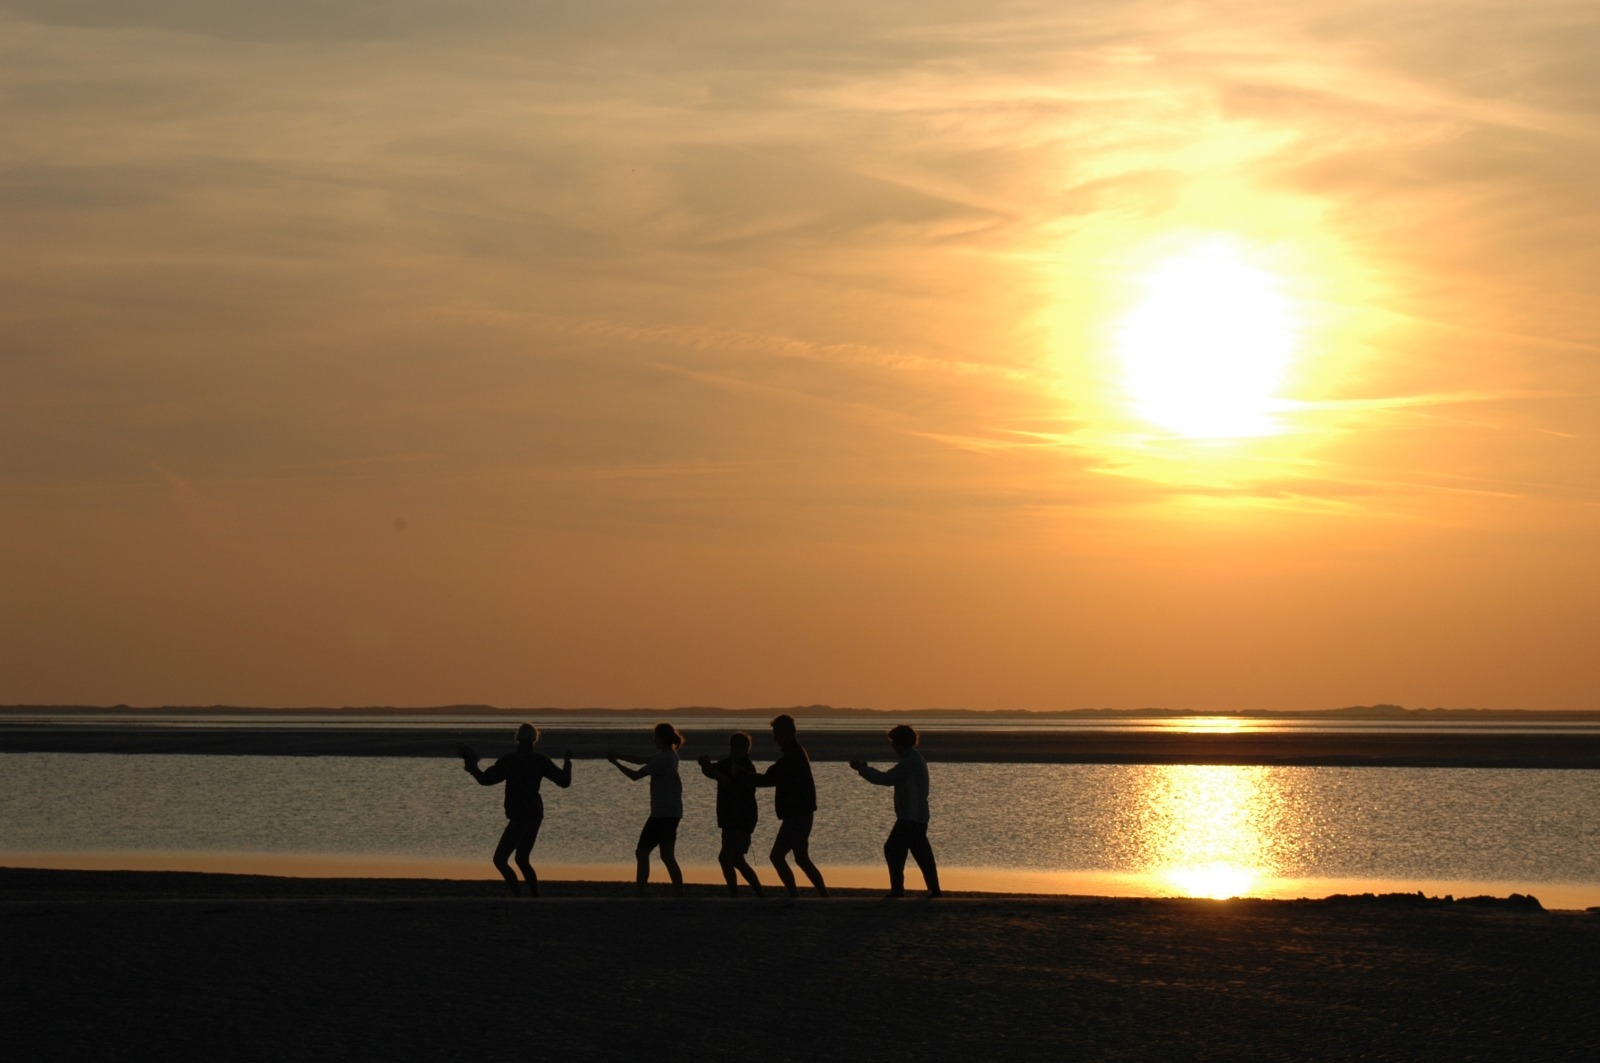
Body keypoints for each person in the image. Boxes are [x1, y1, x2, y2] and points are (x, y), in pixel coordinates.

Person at [459, 723, 572, 897]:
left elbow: (485, 780)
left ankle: (519, 896)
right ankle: (534, 896)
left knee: (500, 859)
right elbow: (564, 782)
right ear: (534, 739)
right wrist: (567, 762)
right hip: (535, 814)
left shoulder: (510, 760)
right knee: (522, 859)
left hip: (520, 815)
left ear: (517, 738)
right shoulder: (540, 760)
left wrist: (472, 767)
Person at [849, 723, 942, 898]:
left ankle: (899, 890)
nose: (892, 747)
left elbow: (886, 779)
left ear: (901, 743)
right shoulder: (915, 759)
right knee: (920, 853)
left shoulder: (910, 762)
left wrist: (862, 769)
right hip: (917, 815)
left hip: (911, 816)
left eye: (893, 743)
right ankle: (933, 890)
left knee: (893, 849)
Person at [752, 713, 828, 898]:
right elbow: (772, 776)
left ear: (786, 733)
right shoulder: (795, 754)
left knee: (777, 856)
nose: (774, 738)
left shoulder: (793, 756)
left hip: (797, 815)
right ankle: (822, 894)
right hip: (800, 813)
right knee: (801, 858)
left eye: (776, 733)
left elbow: (770, 778)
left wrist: (746, 777)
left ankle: (796, 894)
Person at [609, 723, 686, 897]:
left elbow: (635, 775)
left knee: (642, 852)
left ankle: (639, 892)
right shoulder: (671, 756)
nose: (654, 740)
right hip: (672, 811)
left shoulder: (662, 760)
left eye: (656, 736)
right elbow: (643, 760)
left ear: (662, 738)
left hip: (662, 814)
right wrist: (619, 755)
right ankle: (680, 893)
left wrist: (615, 763)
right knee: (667, 855)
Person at [698, 732, 765, 898]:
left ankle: (735, 894)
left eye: (737, 747)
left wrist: (714, 772)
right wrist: (705, 766)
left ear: (745, 749)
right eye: (732, 747)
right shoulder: (728, 763)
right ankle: (760, 893)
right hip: (728, 817)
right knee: (737, 860)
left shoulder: (747, 767)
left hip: (742, 818)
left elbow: (733, 784)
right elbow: (712, 772)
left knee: (725, 858)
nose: (734, 750)